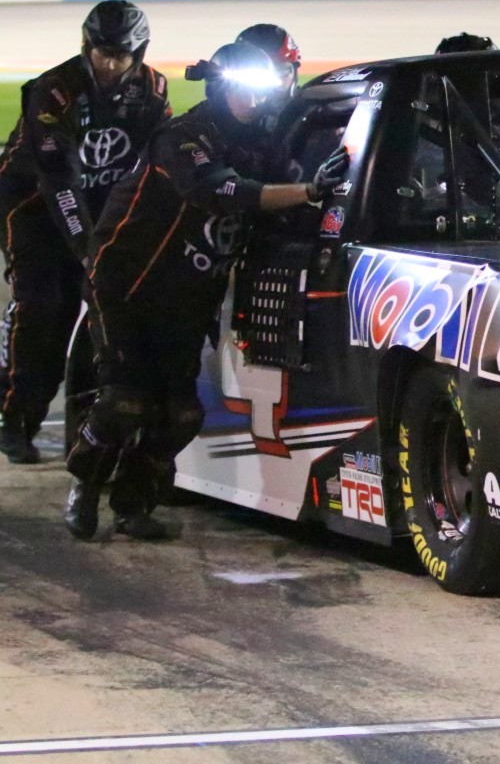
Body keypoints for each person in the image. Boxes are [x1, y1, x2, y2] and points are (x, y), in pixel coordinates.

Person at [62, 42, 349, 540]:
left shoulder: (260, 142)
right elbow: (219, 191)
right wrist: (306, 192)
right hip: (128, 285)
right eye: (244, 92)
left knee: (180, 414)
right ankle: (84, 482)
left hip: (187, 296)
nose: (255, 104)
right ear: (221, 89)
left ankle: (132, 505)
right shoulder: (184, 137)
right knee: (125, 402)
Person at [0, 0, 170, 465]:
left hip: (97, 208)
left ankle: (94, 427)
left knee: (108, 311)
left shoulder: (154, 93)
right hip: (32, 207)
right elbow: (59, 180)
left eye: (121, 55)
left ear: (140, 53)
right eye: (101, 53)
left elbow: (158, 166)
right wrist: (88, 250)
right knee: (45, 309)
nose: (110, 64)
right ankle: (15, 420)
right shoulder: (54, 92)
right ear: (85, 46)